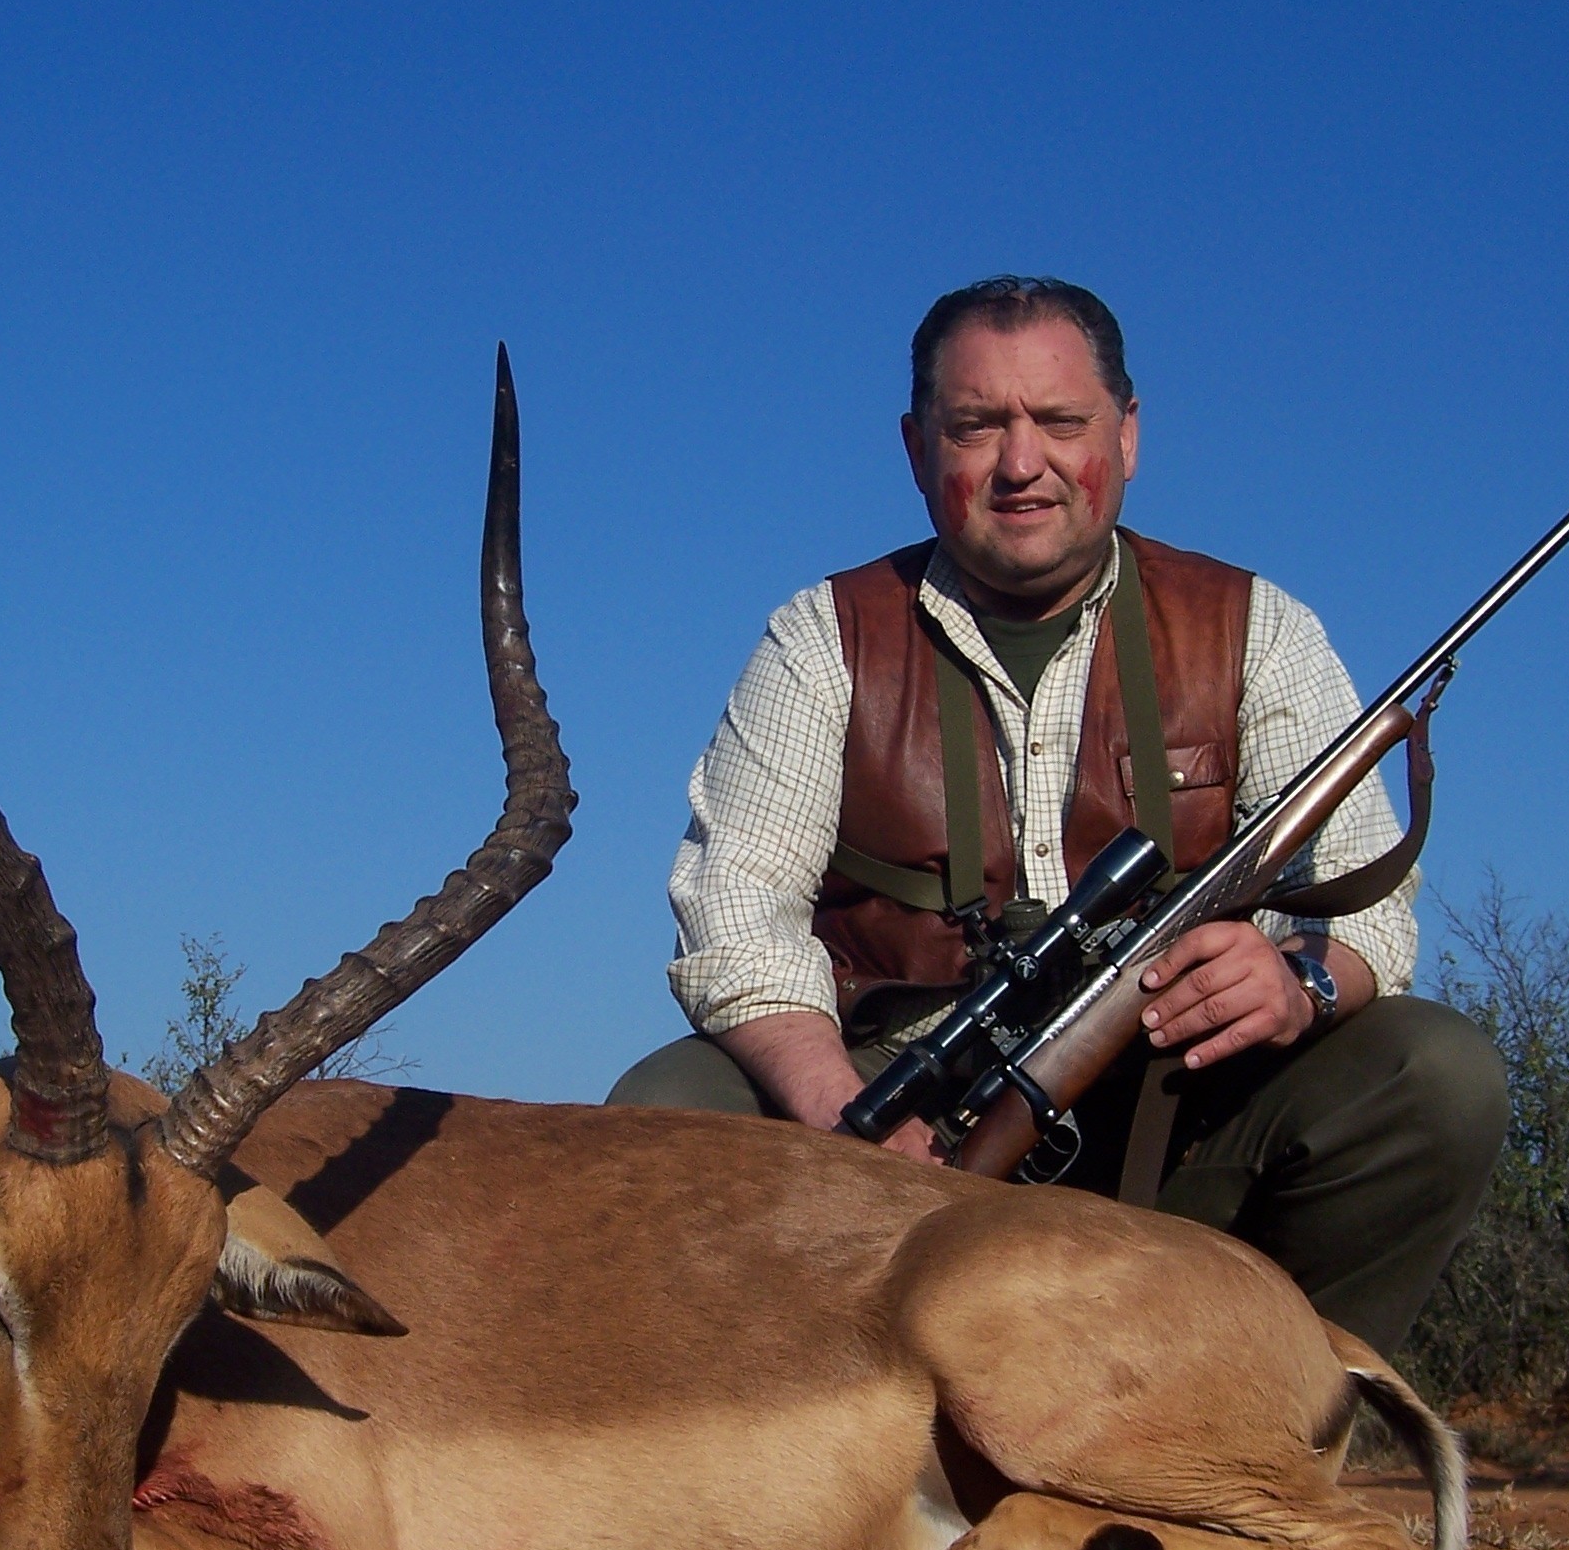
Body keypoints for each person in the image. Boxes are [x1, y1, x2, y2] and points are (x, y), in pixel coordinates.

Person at [608, 276, 1506, 1357]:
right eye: (977, 426)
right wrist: (851, 1121)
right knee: (667, 1104)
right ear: (916, 446)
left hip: (1174, 1112)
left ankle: (1281, 1451)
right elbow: (734, 910)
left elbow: (1369, 903)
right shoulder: (822, 638)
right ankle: (775, 1487)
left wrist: (1301, 982)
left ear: (1127, 435)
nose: (1020, 463)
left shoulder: (1255, 628)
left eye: (1060, 422)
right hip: (896, 1118)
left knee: (1435, 1074)